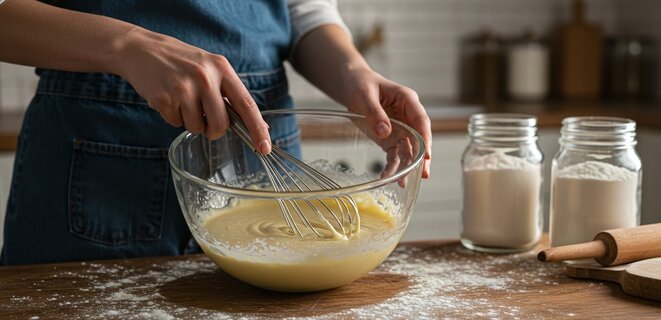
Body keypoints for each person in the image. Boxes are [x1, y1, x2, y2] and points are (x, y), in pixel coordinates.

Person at [0, 0, 432, 265]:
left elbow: (303, 9)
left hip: (267, 143)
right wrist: (125, 45)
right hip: (99, 153)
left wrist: (352, 73)